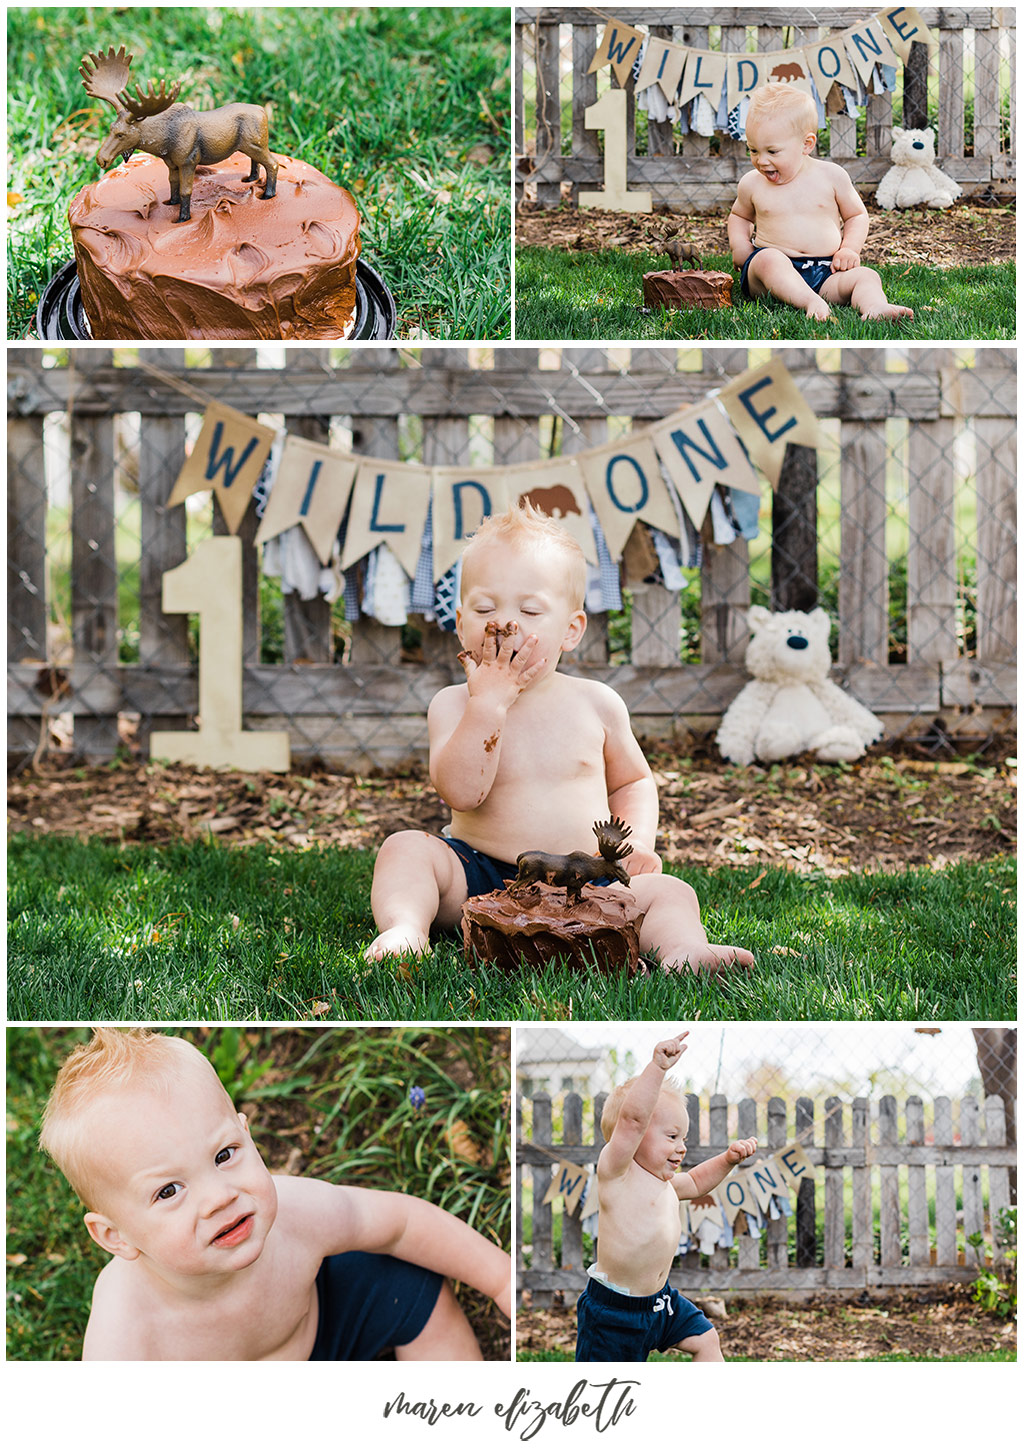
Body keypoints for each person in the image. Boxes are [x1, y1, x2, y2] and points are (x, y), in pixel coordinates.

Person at [365, 501, 754, 974]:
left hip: (586, 882)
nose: (504, 624)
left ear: (571, 630)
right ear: (460, 620)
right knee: (405, 849)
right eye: (485, 608)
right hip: (478, 875)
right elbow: (463, 794)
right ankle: (405, 929)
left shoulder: (597, 703)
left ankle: (681, 950)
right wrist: (488, 705)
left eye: (530, 610)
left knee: (672, 892)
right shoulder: (452, 704)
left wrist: (636, 848)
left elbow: (632, 782)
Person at [38, 1027, 511, 1360]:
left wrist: (499, 1278)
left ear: (247, 1135)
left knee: (405, 1282)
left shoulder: (297, 1216)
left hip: (326, 1332)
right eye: (169, 1190)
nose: (220, 1197)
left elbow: (401, 1224)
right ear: (115, 1236)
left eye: (224, 1155)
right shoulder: (125, 1332)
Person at [576, 1030, 756, 1362]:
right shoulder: (616, 1174)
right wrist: (657, 1068)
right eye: (672, 1136)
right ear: (636, 1136)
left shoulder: (667, 1185)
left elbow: (700, 1182)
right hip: (613, 1314)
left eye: (683, 1137)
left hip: (661, 1302)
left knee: (706, 1339)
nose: (682, 1146)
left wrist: (728, 1159)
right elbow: (631, 1120)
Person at [728, 82, 914, 323]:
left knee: (866, 276)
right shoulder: (752, 183)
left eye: (772, 152)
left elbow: (856, 215)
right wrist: (740, 246)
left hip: (826, 271)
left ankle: (875, 306)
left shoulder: (832, 176)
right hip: (772, 275)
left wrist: (849, 249)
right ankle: (809, 301)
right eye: (753, 150)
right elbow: (739, 216)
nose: (761, 161)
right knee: (767, 260)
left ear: (806, 144)